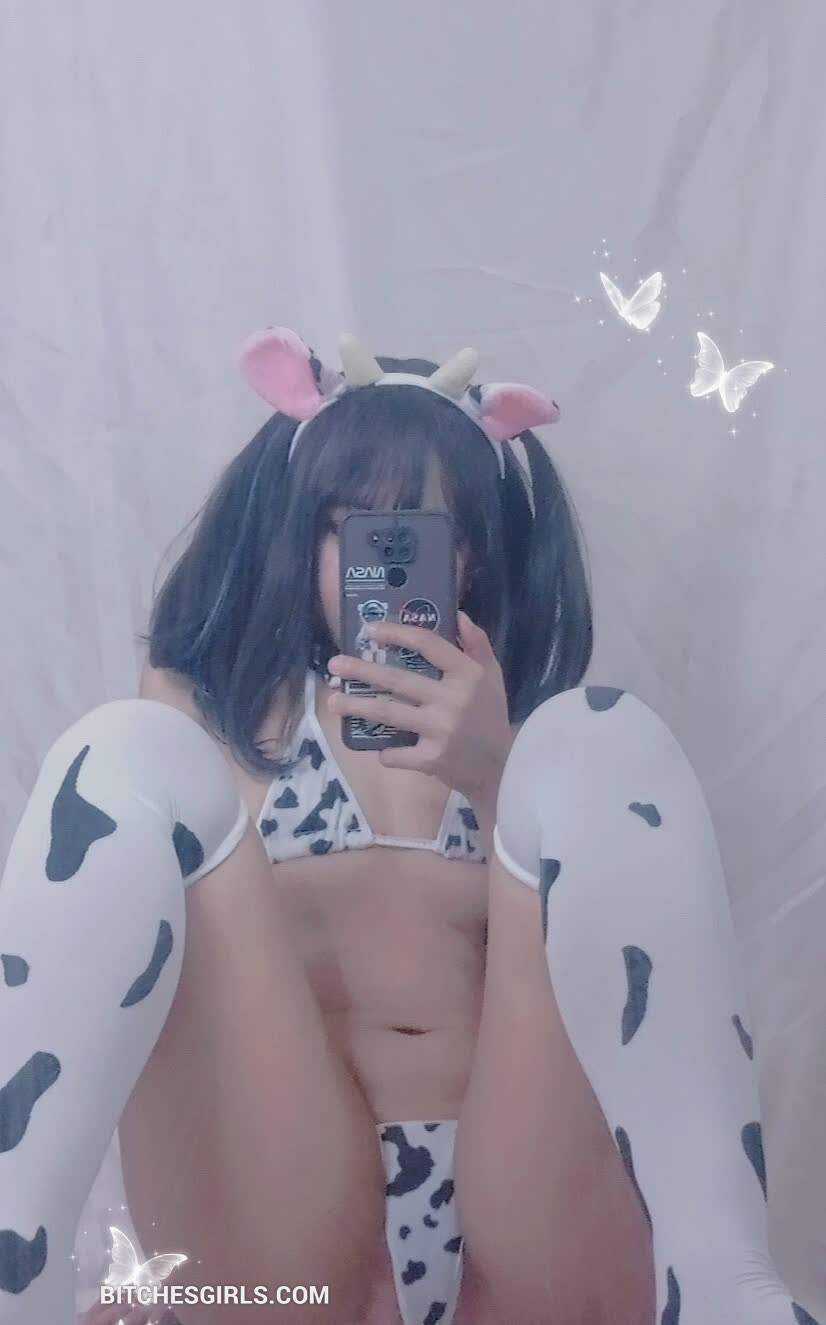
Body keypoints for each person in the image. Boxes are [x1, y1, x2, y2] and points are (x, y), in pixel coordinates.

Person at [0, 326, 818, 1325]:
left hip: (525, 1245)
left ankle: (727, 1287)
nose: (382, 562)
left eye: (427, 535)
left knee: (601, 733)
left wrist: (495, 772)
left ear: (470, 557)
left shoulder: (529, 743)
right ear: (299, 532)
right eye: (352, 528)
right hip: (282, 1259)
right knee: (124, 750)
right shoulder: (207, 718)